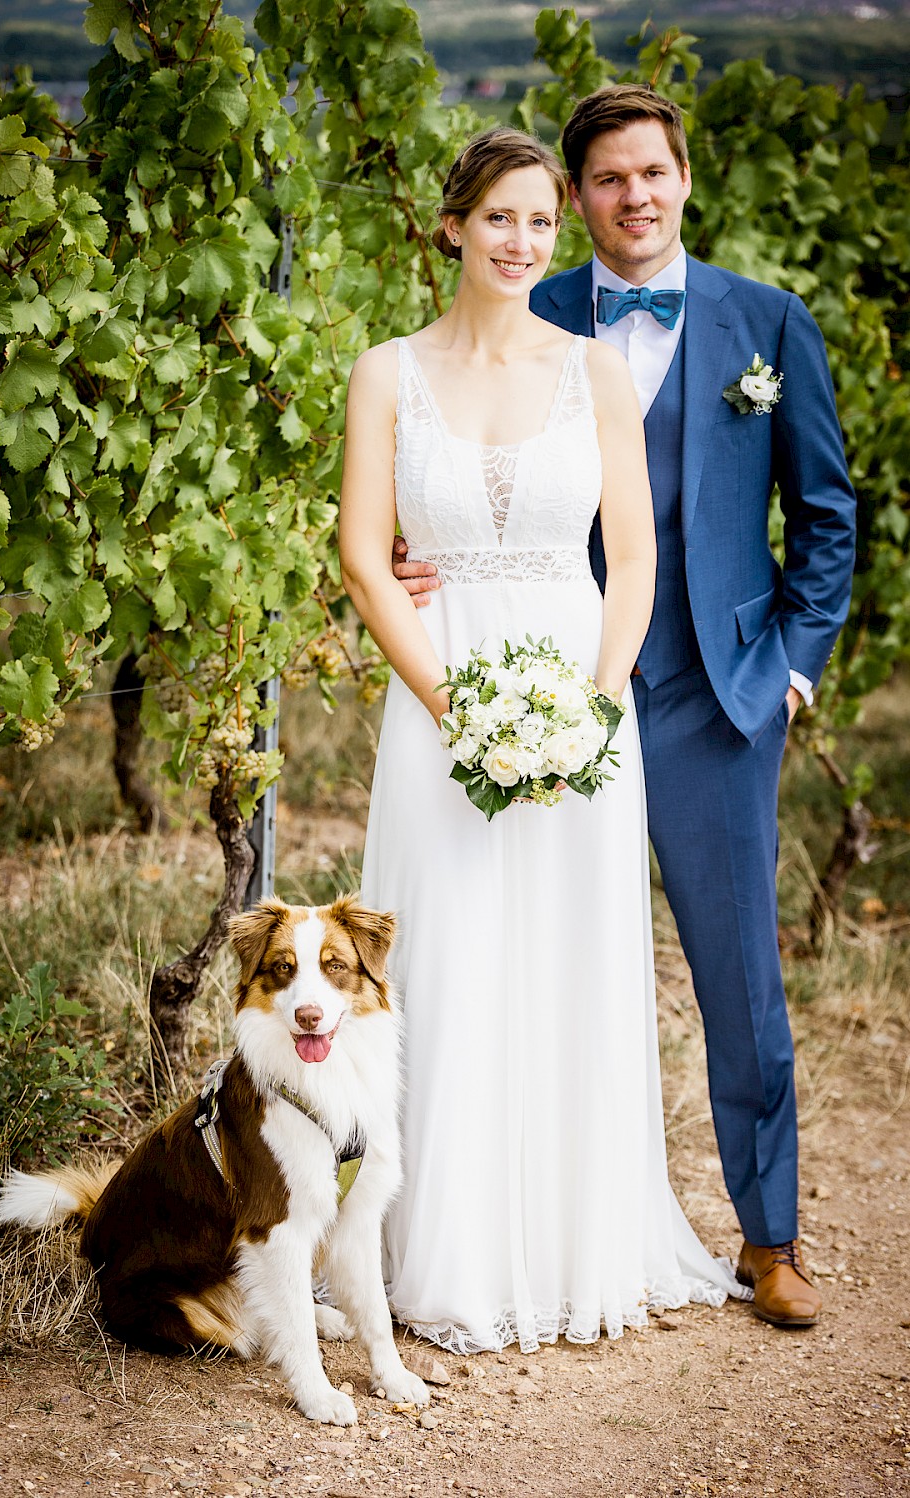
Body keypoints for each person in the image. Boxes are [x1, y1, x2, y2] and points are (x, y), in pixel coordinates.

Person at [394, 89, 858, 1330]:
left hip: (713, 701)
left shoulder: (766, 324)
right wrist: (412, 552)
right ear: (576, 202)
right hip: (545, 693)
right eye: (605, 180)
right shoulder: (524, 305)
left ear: (685, 179)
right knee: (528, 961)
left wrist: (791, 670)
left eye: (651, 172)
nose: (631, 197)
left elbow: (826, 518)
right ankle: (527, 1232)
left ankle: (770, 1239)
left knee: (737, 979)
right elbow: (447, 461)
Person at [341, 125, 745, 1356]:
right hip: (439, 692)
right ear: (451, 223)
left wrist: (590, 698)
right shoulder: (384, 372)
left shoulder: (593, 373)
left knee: (567, 953)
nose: (522, 242)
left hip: (577, 691)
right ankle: (440, 1241)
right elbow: (365, 554)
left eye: (539, 223)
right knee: (452, 952)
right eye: (500, 218)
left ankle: (572, 1238)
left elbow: (633, 557)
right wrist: (453, 702)